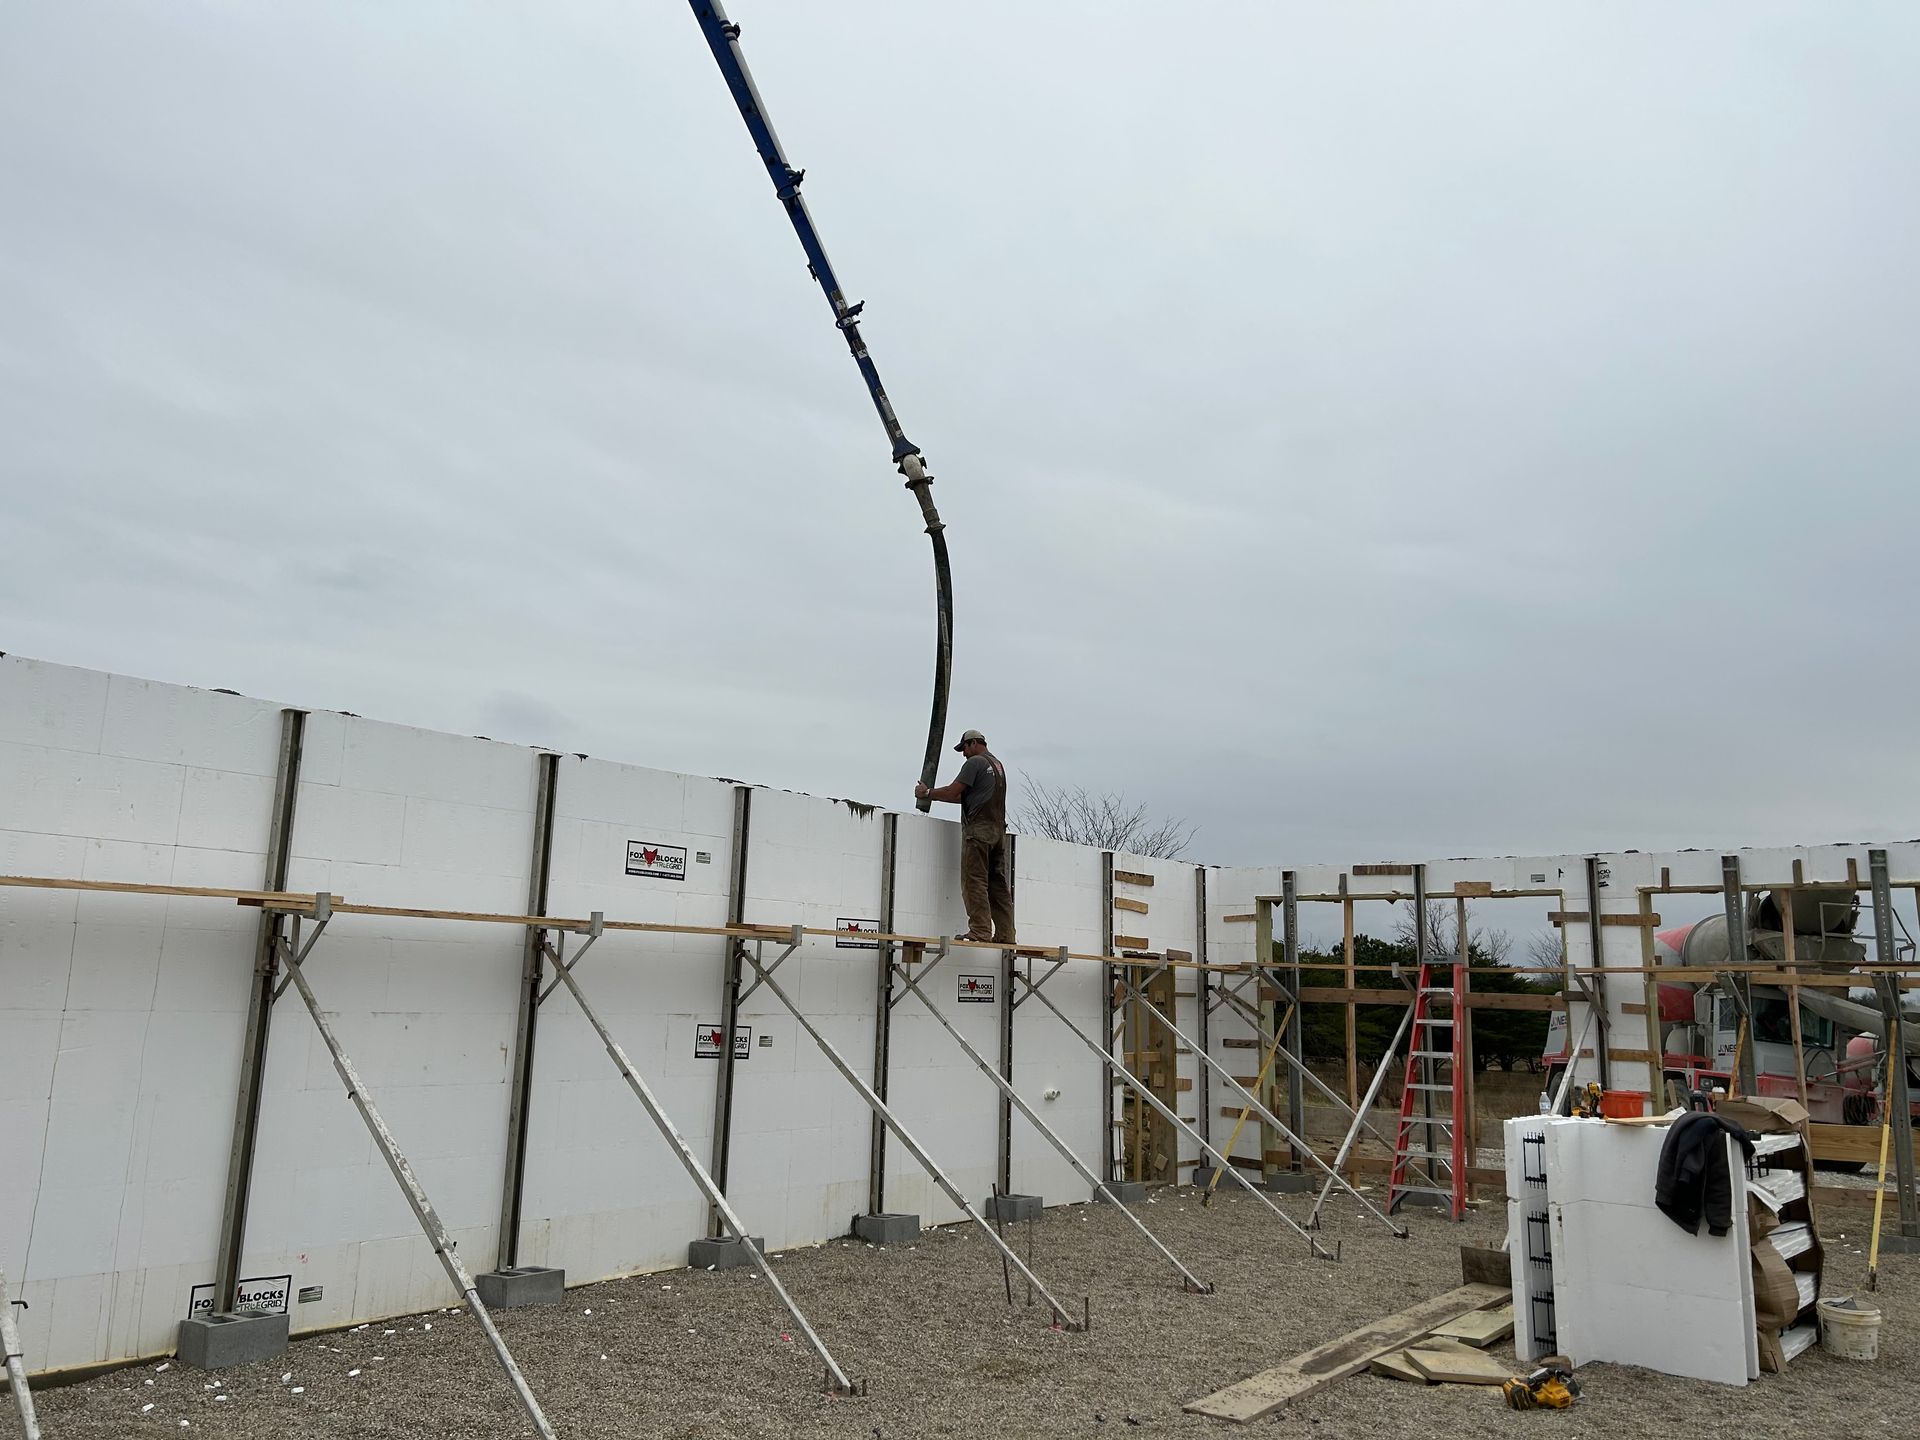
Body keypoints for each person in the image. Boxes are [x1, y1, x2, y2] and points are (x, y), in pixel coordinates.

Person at [914, 729, 1014, 944]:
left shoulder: (975, 763)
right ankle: (1006, 935)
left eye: (964, 748)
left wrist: (927, 793)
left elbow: (952, 791)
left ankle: (980, 931)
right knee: (998, 885)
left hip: (978, 832)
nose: (963, 754)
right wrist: (937, 796)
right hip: (998, 833)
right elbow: (964, 797)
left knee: (974, 882)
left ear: (974, 743)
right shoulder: (997, 766)